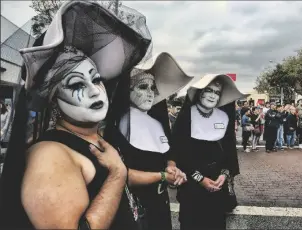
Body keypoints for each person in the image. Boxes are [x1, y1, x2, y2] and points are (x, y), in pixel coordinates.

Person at [0, 1, 152, 229]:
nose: (94, 90)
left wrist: (158, 175)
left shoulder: (95, 137)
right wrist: (117, 174)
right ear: (53, 99)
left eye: (96, 78)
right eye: (76, 85)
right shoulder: (49, 156)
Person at [107, 53, 192, 230]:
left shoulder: (157, 123)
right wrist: (162, 176)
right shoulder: (116, 127)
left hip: (160, 204)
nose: (150, 94)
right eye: (142, 87)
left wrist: (171, 167)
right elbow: (120, 175)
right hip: (133, 208)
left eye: (152, 88)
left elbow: (168, 153)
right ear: (127, 90)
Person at [172, 74, 243, 230]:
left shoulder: (224, 117)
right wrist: (201, 179)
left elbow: (228, 152)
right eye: (209, 90)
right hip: (192, 186)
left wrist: (224, 174)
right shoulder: (187, 116)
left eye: (217, 92)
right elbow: (179, 154)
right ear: (200, 92)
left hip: (217, 185)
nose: (212, 95)